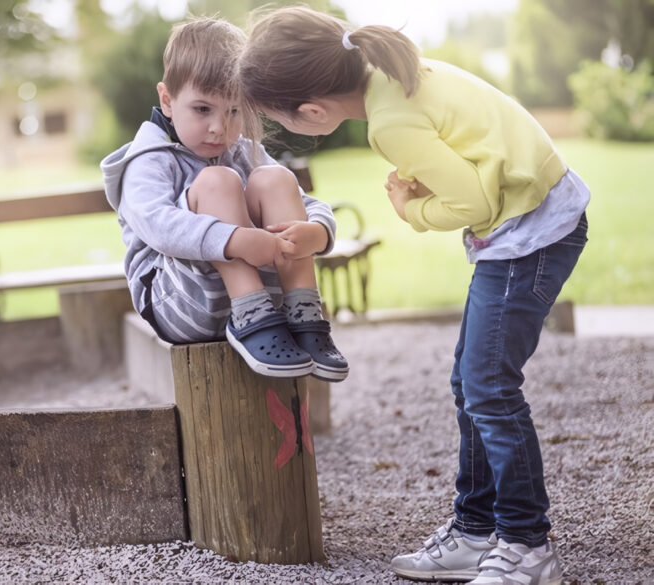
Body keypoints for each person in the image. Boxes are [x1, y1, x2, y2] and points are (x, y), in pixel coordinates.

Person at [239, 6, 588, 585]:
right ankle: (475, 531)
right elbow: (475, 150)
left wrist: (412, 209)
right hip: (535, 214)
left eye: (278, 119)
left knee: (489, 387)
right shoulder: (394, 72)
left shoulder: (388, 122)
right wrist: (436, 181)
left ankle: (527, 545)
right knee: (472, 383)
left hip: (531, 233)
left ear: (313, 111)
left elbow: (474, 204)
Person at [100, 16, 348, 381]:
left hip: (271, 307)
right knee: (218, 181)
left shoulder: (243, 151)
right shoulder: (148, 160)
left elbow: (304, 202)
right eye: (203, 109)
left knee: (275, 178)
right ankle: (251, 314)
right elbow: (157, 226)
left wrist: (319, 231)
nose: (220, 127)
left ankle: (304, 312)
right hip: (181, 302)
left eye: (234, 111)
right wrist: (233, 240)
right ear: (167, 100)